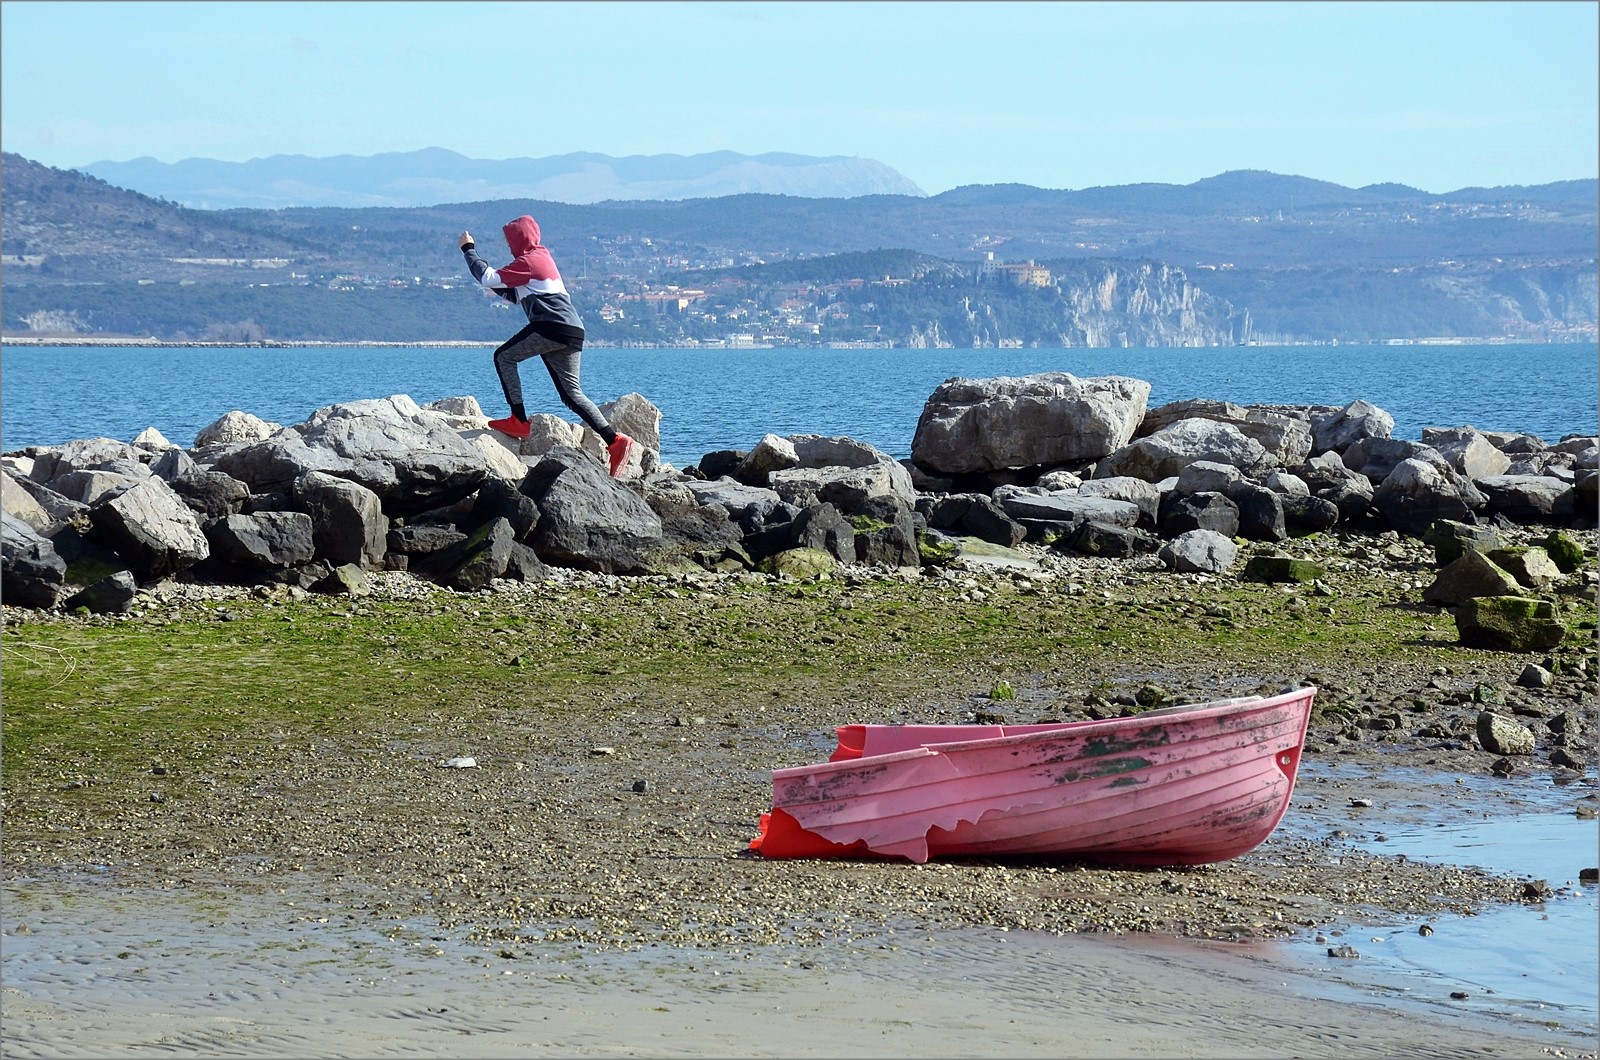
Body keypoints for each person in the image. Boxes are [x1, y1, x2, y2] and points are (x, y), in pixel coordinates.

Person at [458, 216, 637, 477]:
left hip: (552, 327)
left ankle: (519, 420)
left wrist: (468, 249)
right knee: (572, 394)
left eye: (510, 242)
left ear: (520, 240)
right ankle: (615, 441)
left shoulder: (529, 261)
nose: (509, 248)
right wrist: (495, 281)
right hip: (572, 330)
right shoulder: (541, 258)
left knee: (503, 357)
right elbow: (513, 293)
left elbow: (488, 278)